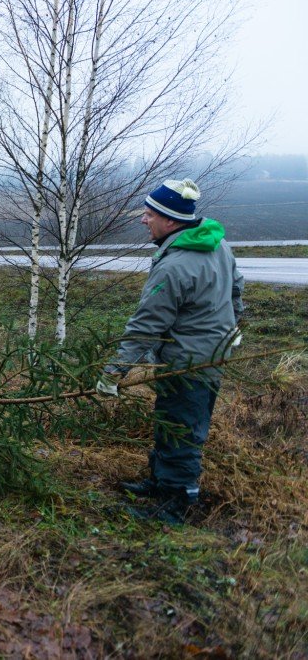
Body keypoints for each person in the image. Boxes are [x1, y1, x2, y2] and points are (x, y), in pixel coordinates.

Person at [98, 178, 244, 524]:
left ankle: (177, 504)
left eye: (149, 214)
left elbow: (145, 326)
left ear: (171, 220)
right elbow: (236, 287)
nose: (143, 220)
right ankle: (162, 482)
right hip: (210, 354)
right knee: (171, 420)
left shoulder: (176, 265)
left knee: (182, 427)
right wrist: (232, 327)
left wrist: (113, 373)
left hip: (188, 363)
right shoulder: (215, 243)